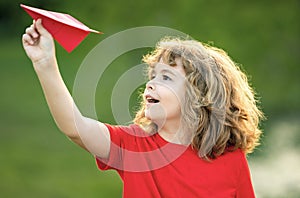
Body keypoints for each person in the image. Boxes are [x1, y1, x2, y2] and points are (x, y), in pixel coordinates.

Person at [22, 19, 264, 198]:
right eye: (152, 75)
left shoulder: (231, 160)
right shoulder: (134, 146)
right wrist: (45, 64)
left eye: (166, 78)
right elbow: (75, 128)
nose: (150, 83)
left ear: (200, 96)